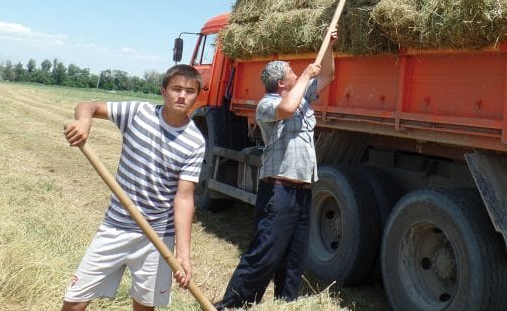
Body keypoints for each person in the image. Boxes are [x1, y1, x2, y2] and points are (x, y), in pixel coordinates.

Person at [61, 64, 205, 311]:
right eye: (176, 88)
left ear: (196, 96)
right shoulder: (139, 112)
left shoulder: (195, 142)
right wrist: (84, 121)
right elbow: (88, 105)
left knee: (144, 307)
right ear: (163, 90)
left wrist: (183, 254)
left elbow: (184, 198)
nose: (182, 95)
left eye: (190, 91)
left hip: (158, 237)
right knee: (74, 302)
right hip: (115, 227)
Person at [217, 28, 338, 309]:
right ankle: (232, 306)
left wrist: (328, 46)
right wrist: (306, 75)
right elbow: (286, 109)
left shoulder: (301, 96)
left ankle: (285, 305)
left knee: (294, 260)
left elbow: (328, 76)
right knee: (265, 255)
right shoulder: (267, 104)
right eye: (292, 72)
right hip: (278, 190)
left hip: (302, 190)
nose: (297, 73)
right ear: (281, 82)